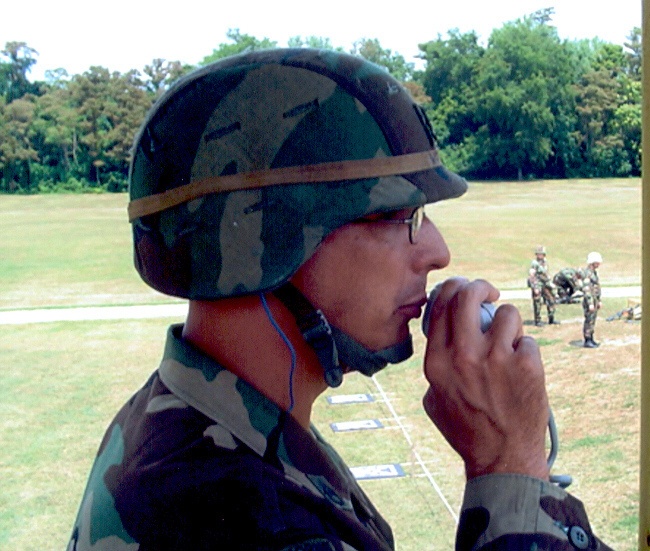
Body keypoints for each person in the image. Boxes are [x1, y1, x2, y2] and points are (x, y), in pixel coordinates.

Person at [68, 49, 613, 550]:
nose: (437, 252)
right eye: (392, 216)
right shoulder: (247, 520)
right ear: (258, 245)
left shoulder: (189, 420)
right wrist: (509, 462)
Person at [527, 245, 558, 326]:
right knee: (537, 302)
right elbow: (531, 275)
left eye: (541, 254)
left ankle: (551, 318)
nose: (540, 255)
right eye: (538, 254)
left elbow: (546, 274)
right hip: (538, 284)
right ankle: (537, 320)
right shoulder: (535, 263)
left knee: (551, 299)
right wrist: (534, 287)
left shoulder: (545, 262)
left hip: (545, 283)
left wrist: (550, 283)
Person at [581, 252, 603, 348]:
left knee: (592, 320)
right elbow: (587, 289)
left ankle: (591, 338)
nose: (598, 264)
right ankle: (587, 339)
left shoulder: (593, 272)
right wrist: (590, 303)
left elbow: (596, 288)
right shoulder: (587, 273)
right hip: (589, 301)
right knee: (589, 320)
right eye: (597, 262)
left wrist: (599, 300)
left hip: (594, 300)